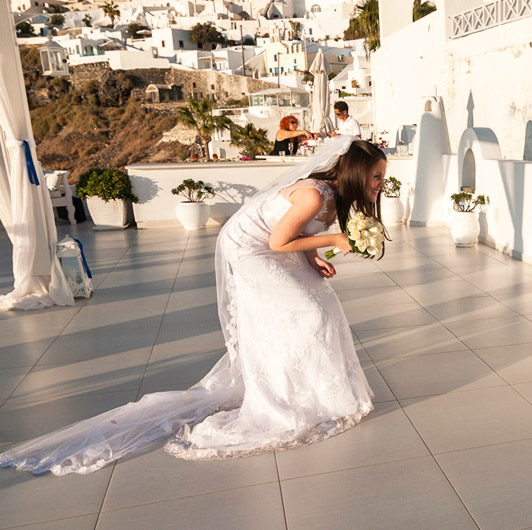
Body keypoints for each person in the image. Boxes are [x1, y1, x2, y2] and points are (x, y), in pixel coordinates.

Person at [0, 136, 388, 475]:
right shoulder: (313, 194)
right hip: (249, 248)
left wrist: (312, 257)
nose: (381, 184)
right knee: (308, 313)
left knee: (322, 304)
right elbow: (275, 243)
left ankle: (320, 392)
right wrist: (333, 242)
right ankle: (285, 397)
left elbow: (296, 235)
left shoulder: (334, 197)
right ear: (355, 173)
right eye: (376, 177)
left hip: (272, 244)